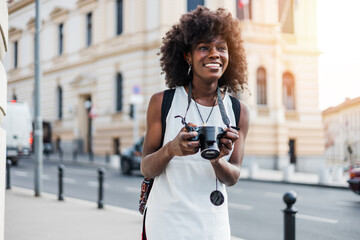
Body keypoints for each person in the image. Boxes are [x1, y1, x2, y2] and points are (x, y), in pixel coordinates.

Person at [141, 6, 250, 240]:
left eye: (221, 48)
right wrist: (171, 149)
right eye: (204, 48)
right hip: (166, 224)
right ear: (187, 56)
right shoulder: (162, 102)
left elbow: (233, 177)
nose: (214, 54)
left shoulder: (239, 111)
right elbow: (146, 168)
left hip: (212, 227)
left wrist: (217, 159)